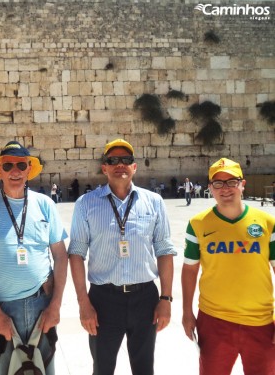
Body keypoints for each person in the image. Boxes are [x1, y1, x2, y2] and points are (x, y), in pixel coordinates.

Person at [68, 138, 176, 375]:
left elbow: (165, 251)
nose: (120, 165)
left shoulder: (154, 202)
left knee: (144, 368)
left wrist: (166, 299)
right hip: (103, 300)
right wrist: (83, 303)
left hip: (145, 298)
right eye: (113, 160)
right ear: (104, 167)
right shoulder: (86, 204)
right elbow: (76, 254)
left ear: (134, 167)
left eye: (126, 160)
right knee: (103, 367)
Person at [0, 140, 68, 375]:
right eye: (8, 165)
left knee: (44, 369)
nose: (15, 171)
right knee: (2, 370)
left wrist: (55, 305)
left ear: (28, 170)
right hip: (2, 308)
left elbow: (61, 257)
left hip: (41, 305)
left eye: (21, 165)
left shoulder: (45, 204)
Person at [181, 158, 275, 375]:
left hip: (260, 322)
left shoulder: (266, 223)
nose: (225, 189)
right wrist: (187, 312)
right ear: (210, 188)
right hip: (214, 322)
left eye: (231, 182)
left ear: (242, 184)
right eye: (218, 183)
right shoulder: (198, 224)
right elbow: (190, 269)